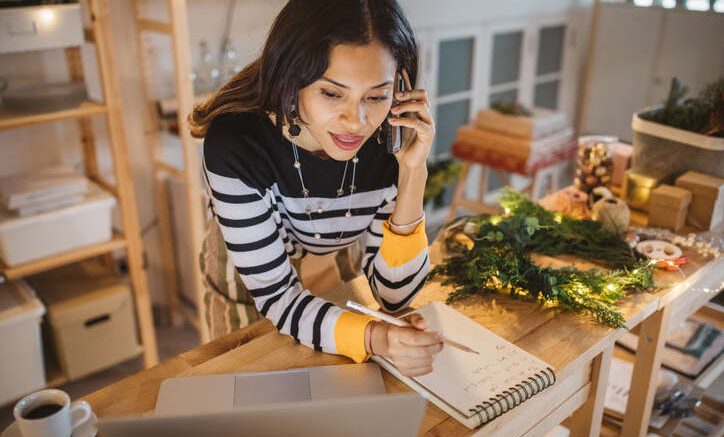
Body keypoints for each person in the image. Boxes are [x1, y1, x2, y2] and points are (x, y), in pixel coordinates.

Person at [191, 0, 440, 377]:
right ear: (291, 79)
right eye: (332, 93)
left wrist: (413, 172)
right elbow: (278, 297)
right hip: (249, 282)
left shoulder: (391, 138)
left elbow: (395, 297)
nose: (355, 122)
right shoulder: (235, 144)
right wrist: (375, 339)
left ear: (401, 88)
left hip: (335, 253)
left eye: (375, 96)